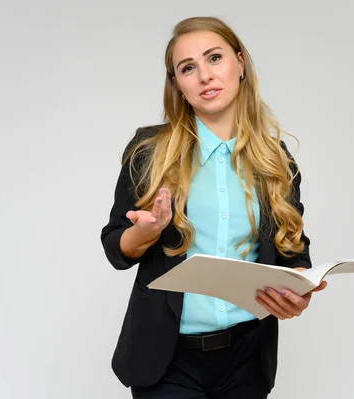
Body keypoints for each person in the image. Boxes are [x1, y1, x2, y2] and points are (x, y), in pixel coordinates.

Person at [100, 16, 327, 398]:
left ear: (240, 64)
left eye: (215, 58)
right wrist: (146, 231)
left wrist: (298, 290)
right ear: (178, 85)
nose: (205, 75)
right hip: (166, 362)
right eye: (188, 68)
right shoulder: (149, 153)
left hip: (246, 358)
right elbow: (115, 248)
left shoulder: (276, 160)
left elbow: (293, 251)